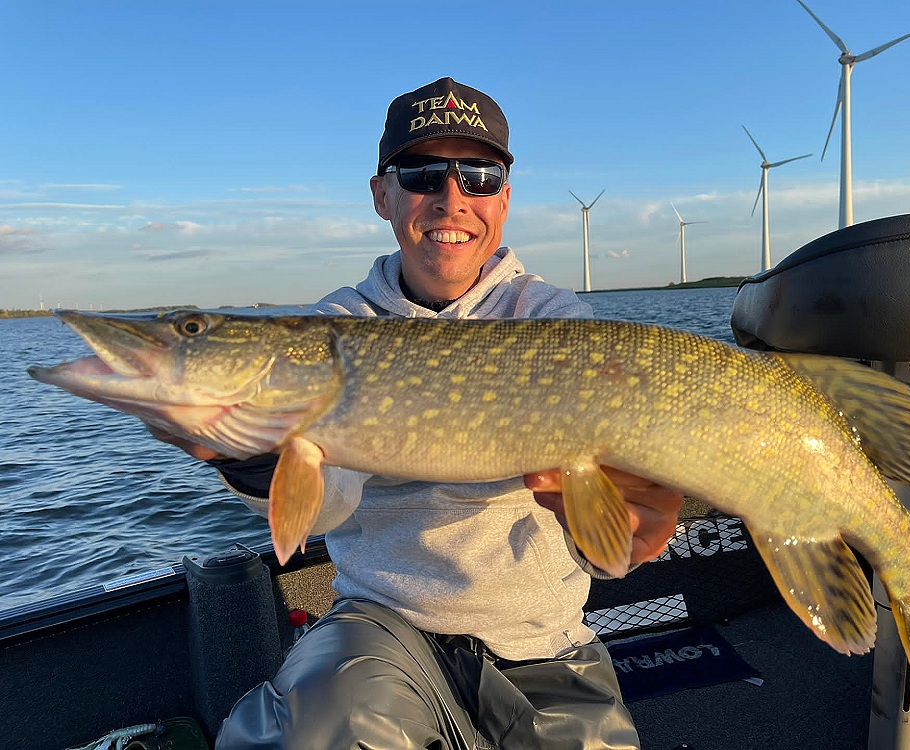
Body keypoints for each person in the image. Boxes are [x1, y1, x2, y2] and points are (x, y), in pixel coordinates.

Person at [158, 77, 683, 749]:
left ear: (505, 198)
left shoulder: (550, 320)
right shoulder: (337, 328)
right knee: (318, 731)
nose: (451, 197)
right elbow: (329, 503)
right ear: (382, 194)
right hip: (380, 628)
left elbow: (607, 526)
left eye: (479, 176)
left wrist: (618, 525)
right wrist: (258, 455)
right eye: (422, 173)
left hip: (543, 643)